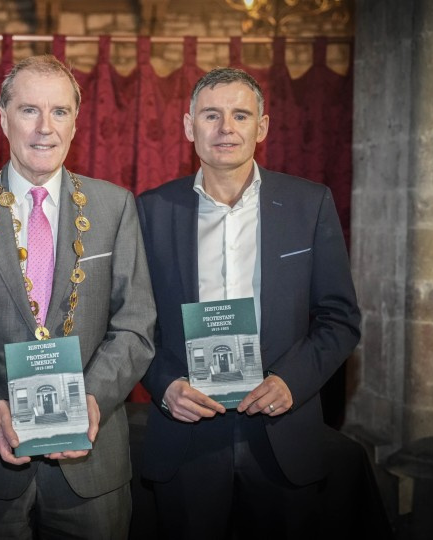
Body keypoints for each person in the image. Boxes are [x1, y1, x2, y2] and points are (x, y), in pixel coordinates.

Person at [0, 54, 156, 539]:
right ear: (2, 116)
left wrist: (92, 399)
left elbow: (134, 325)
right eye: (29, 110)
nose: (45, 128)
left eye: (60, 111)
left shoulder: (114, 207)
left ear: (76, 120)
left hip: (92, 467)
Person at [136, 67, 361, 538]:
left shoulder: (309, 203)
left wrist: (291, 381)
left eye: (240, 115)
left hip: (281, 428)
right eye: (211, 115)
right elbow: (132, 324)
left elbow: (340, 319)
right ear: (188, 125)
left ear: (261, 126)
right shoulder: (150, 210)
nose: (225, 128)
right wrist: (164, 385)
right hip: (187, 429)